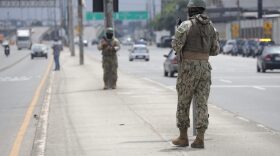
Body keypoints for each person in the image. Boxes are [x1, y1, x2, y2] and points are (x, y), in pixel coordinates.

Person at [171, 0, 220, 148]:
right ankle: (200, 139)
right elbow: (215, 50)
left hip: (188, 69)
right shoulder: (211, 27)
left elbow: (176, 45)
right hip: (205, 68)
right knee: (201, 103)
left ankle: (183, 137)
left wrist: (177, 29)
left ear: (190, 10)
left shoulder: (185, 25)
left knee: (183, 102)